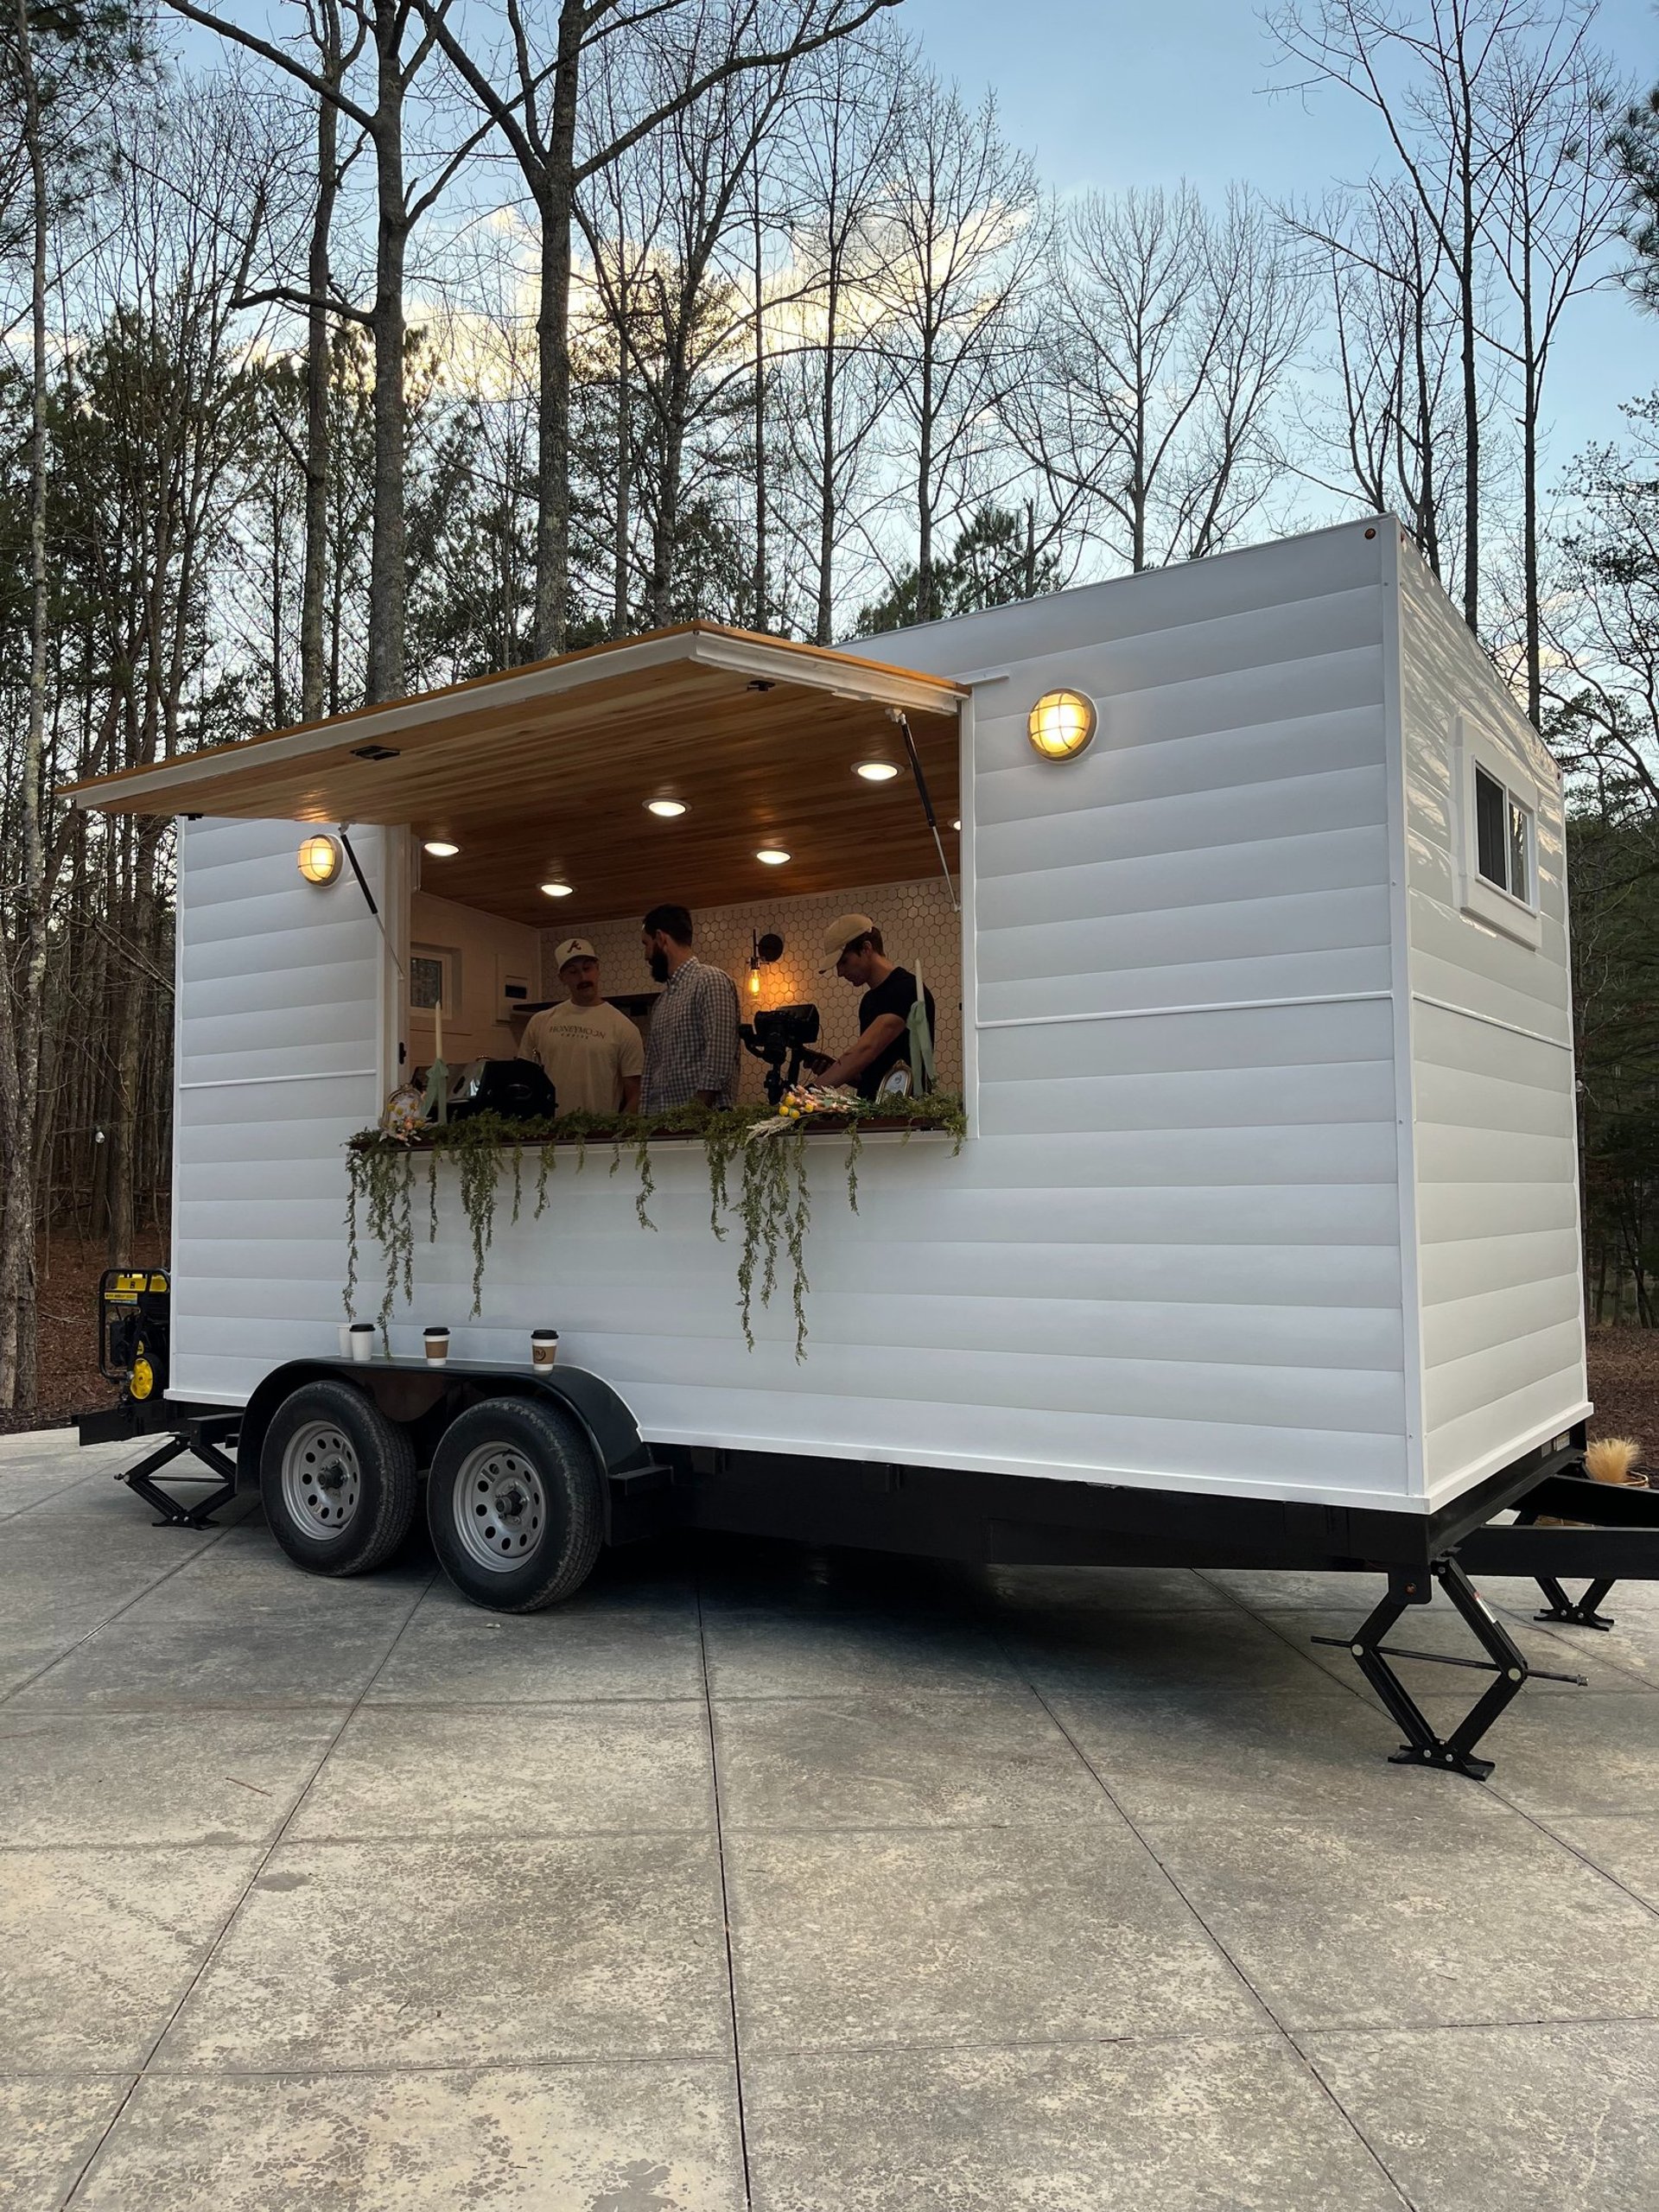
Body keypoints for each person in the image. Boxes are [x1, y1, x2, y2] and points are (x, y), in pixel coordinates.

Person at [810, 912, 936, 1101]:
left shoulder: (906, 989)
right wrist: (835, 1069)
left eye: (843, 962)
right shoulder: (869, 1001)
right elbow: (869, 1075)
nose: (840, 972)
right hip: (873, 1114)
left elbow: (866, 1050)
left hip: (903, 1115)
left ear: (866, 948)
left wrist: (809, 1092)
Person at [520, 939, 643, 1116]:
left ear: (597, 969)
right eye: (573, 972)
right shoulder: (540, 1022)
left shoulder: (624, 1027)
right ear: (562, 978)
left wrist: (615, 1135)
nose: (584, 978)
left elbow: (636, 1094)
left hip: (599, 1136)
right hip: (547, 1135)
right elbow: (523, 1084)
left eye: (587, 968)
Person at [639, 904, 740, 1112]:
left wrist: (693, 1118)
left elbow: (718, 1060)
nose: (646, 955)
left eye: (646, 944)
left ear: (660, 938)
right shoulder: (662, 1002)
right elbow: (650, 1071)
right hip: (662, 1129)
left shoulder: (710, 981)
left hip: (702, 1131)